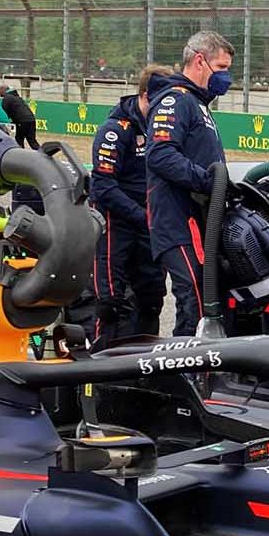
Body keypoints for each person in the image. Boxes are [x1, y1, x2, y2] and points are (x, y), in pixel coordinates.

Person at [145, 30, 233, 337]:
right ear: (200, 60)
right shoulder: (175, 100)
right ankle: (183, 376)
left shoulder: (199, 103)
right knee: (196, 295)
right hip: (177, 219)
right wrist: (209, 181)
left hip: (198, 219)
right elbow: (160, 154)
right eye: (221, 68)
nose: (226, 77)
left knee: (209, 296)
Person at [90, 65, 172, 345]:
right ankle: (99, 371)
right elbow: (101, 186)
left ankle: (144, 369)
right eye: (161, 102)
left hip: (150, 226)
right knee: (110, 301)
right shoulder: (115, 129)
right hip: (116, 223)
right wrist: (141, 215)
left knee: (152, 297)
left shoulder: (164, 128)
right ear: (146, 96)